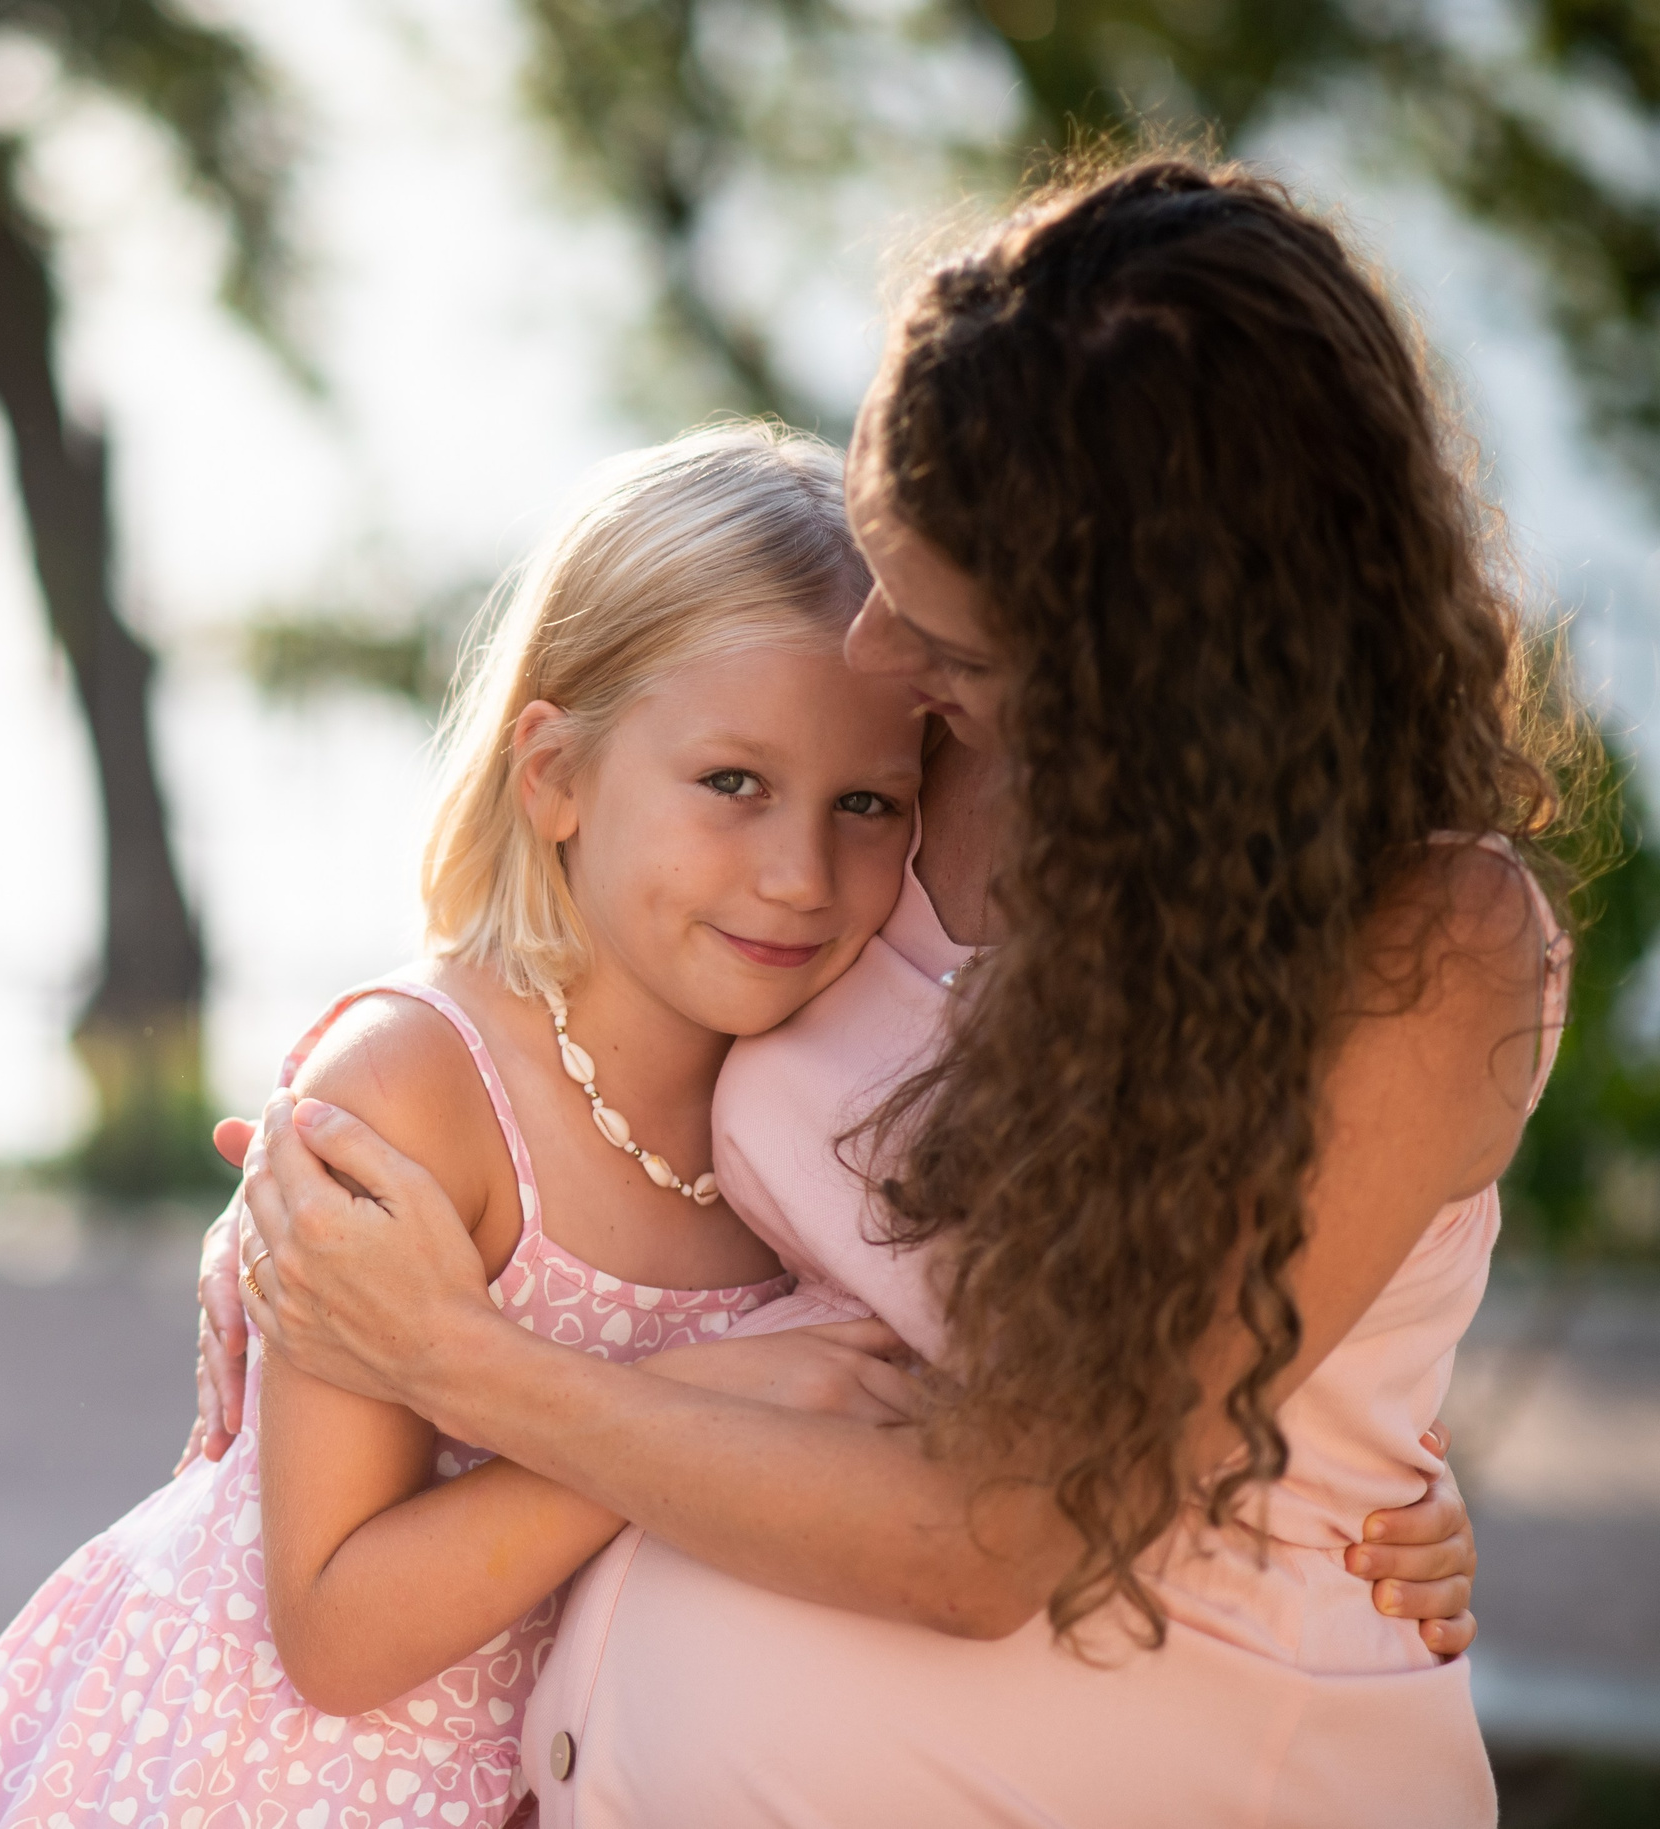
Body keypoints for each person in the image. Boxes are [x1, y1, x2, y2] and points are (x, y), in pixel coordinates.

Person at [216, 159, 1546, 1825]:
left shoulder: (1420, 942)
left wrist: (449, 1356)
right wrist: (319, 1190)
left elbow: (1009, 1535)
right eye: (885, 570)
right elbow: (614, 958)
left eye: (952, 639)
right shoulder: (917, 753)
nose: (877, 662)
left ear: (1156, 662)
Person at [0, 425, 943, 1829]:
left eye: (866, 802)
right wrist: (719, 1401)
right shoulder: (418, 1091)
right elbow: (336, 1627)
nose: (800, 872)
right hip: (264, 1781)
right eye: (732, 783)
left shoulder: (811, 1111)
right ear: (553, 774)